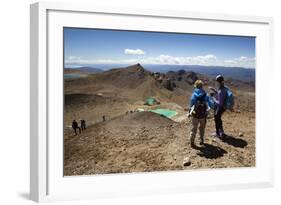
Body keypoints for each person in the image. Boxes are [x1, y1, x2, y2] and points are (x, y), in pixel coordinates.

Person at [188, 80, 213, 148]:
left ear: (196, 86)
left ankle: (192, 142)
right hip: (203, 115)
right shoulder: (206, 94)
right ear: (202, 86)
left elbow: (191, 106)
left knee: (194, 128)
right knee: (202, 128)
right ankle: (201, 140)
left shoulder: (193, 95)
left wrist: (190, 112)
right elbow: (211, 104)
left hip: (195, 115)